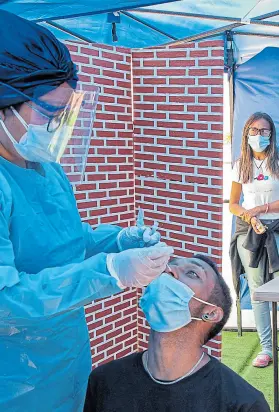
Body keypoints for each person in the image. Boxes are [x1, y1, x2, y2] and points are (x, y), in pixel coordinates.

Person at [0, 10, 174, 412]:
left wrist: (118, 239)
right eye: (48, 112)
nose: (56, 126)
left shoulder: (46, 169)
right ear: (6, 102)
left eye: (64, 114)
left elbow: (63, 242)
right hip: (13, 379)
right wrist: (109, 271)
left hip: (66, 356)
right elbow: (6, 300)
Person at [84, 254, 270, 412]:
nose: (168, 271)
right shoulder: (103, 381)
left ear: (210, 313)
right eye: (168, 266)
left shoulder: (243, 404)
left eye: (192, 273)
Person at [229, 112, 279, 368]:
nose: (260, 136)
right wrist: (251, 218)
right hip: (251, 232)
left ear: (272, 134)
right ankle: (267, 348)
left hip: (276, 229)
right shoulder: (240, 165)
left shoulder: (278, 162)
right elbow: (234, 205)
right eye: (255, 131)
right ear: (246, 133)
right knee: (258, 288)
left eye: (265, 131)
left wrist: (262, 210)